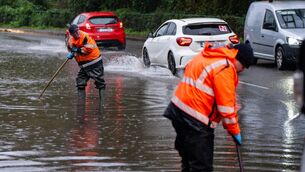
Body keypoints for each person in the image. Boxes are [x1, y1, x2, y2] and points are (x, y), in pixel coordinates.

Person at [163, 42, 254, 171]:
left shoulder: (207, 56)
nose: (242, 69)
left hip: (177, 112)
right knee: (201, 167)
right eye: (243, 65)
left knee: (189, 163)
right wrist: (234, 130)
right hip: (195, 121)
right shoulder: (225, 67)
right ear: (237, 58)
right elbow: (226, 108)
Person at [66, 24, 106, 99]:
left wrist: (77, 50)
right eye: (75, 32)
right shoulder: (70, 41)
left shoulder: (85, 36)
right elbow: (70, 48)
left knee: (100, 83)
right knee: (80, 82)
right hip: (84, 66)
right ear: (71, 34)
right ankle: (81, 104)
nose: (77, 33)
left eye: (77, 31)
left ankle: (103, 103)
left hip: (95, 63)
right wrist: (72, 53)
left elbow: (89, 49)